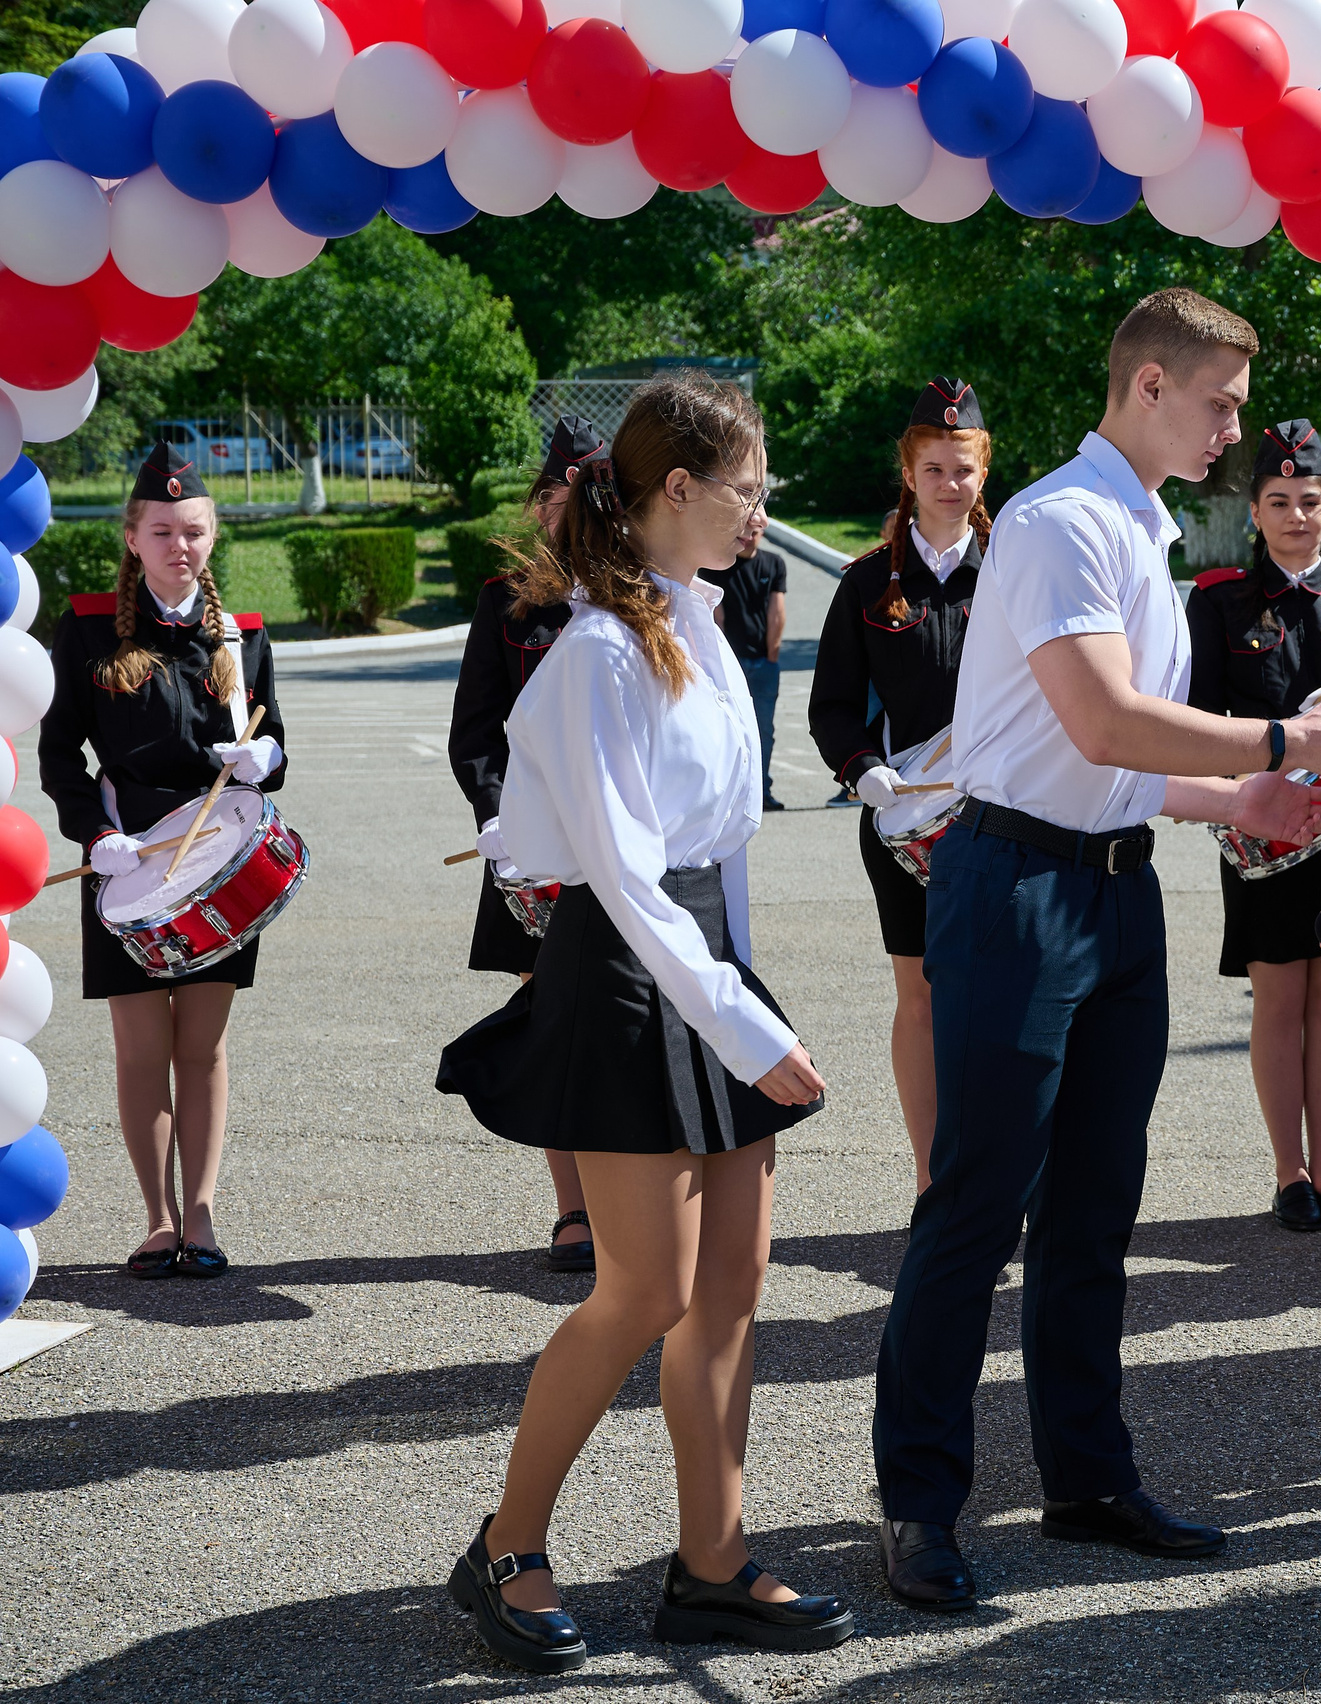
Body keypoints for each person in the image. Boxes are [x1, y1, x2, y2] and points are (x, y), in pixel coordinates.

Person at [869, 289, 1321, 1614]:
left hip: (1109, 888)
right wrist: (1290, 743)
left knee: (1096, 1206)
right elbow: (1105, 723)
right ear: (1150, 385)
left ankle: (1086, 1478)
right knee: (977, 1205)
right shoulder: (1061, 519)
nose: (1233, 428)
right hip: (1018, 886)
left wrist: (1240, 800)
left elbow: (1114, 764)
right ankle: (920, 1502)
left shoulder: (1137, 527)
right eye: (1220, 403)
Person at [434, 378, 846, 1670]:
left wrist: (745, 996)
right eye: (747, 490)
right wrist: (744, 1028)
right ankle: (506, 1546)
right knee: (644, 1291)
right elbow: (621, 876)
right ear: (678, 488)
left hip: (704, 963)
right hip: (625, 975)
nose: (762, 514)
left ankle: (712, 1562)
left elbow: (722, 849)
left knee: (729, 1291)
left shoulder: (698, 623)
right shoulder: (597, 653)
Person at [38, 445, 286, 1282]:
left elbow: (271, 744)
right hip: (128, 864)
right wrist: (89, 834)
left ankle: (203, 1213)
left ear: (212, 535)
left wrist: (267, 760)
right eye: (163, 532)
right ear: (133, 538)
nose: (181, 546)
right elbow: (59, 753)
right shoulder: (88, 629)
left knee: (203, 1048)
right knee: (142, 1048)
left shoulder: (241, 635)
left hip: (218, 865)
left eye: (195, 531)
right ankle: (157, 1218)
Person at [1186, 420, 1321, 1231]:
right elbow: (1198, 719)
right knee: (1278, 1001)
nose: (1295, 516)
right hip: (1265, 834)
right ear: (1255, 511)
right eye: (1278, 502)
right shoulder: (1221, 603)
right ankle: (1289, 1173)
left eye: (1309, 501)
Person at [807, 378, 992, 1192]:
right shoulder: (865, 585)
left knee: (1000, 996)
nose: (950, 484)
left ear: (983, 471)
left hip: (1005, 814)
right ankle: (931, 1179)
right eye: (934, 470)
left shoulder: (1014, 573)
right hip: (905, 820)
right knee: (920, 996)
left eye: (964, 469)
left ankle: (997, 1175)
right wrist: (861, 769)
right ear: (908, 474)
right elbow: (831, 706)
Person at [449, 414, 596, 1273]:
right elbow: (476, 730)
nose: (577, 516)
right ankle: (574, 1207)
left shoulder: (645, 594)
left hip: (621, 846)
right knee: (554, 1023)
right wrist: (495, 816)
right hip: (534, 851)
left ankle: (630, 1200)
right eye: (562, 502)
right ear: (541, 507)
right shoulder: (506, 601)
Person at [702, 502, 788, 813]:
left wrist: (772, 654)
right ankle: (729, 796)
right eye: (746, 531)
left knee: (763, 730)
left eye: (756, 532)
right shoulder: (717, 566)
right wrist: (723, 660)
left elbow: (776, 611)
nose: (751, 537)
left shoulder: (774, 564)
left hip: (763, 662)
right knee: (725, 732)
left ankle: (761, 790)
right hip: (729, 663)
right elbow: (717, 616)